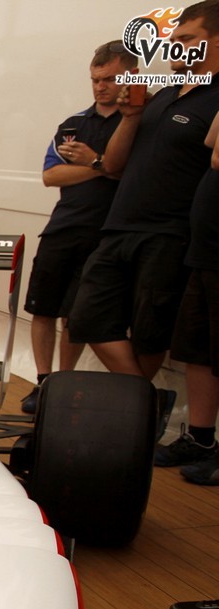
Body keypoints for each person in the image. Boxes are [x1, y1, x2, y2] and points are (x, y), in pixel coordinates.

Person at [68, 1, 219, 382]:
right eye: (173, 39)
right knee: (84, 318)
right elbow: (113, 164)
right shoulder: (163, 95)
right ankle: (141, 399)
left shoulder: (216, 99)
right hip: (118, 225)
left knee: (150, 334)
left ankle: (133, 406)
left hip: (171, 234)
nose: (175, 47)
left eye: (187, 39)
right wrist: (132, 117)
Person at [18, 43, 132, 414]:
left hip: (106, 234)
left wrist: (95, 161)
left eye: (109, 79)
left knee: (76, 315)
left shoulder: (136, 125)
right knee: (42, 309)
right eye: (95, 79)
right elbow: (51, 176)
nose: (101, 86)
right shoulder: (72, 125)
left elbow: (130, 173)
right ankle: (44, 382)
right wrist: (103, 167)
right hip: (62, 228)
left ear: (130, 76)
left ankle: (64, 385)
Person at [154, 110, 219, 482]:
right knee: (198, 350)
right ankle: (201, 439)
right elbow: (210, 139)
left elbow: (217, 155)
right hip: (207, 249)